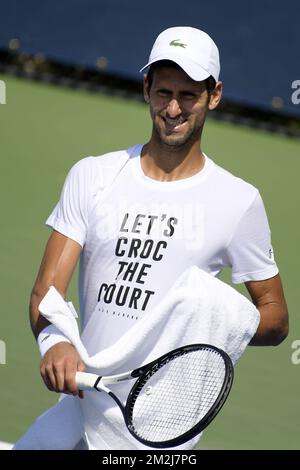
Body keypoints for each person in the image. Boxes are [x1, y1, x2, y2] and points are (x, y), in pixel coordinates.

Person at [15, 26, 288, 450]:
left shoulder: (239, 202)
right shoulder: (92, 176)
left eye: (189, 95)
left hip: (159, 434)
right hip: (79, 408)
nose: (174, 108)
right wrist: (57, 342)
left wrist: (206, 316)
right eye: (163, 92)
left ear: (214, 96)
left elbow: (276, 318)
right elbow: (44, 292)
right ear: (146, 87)